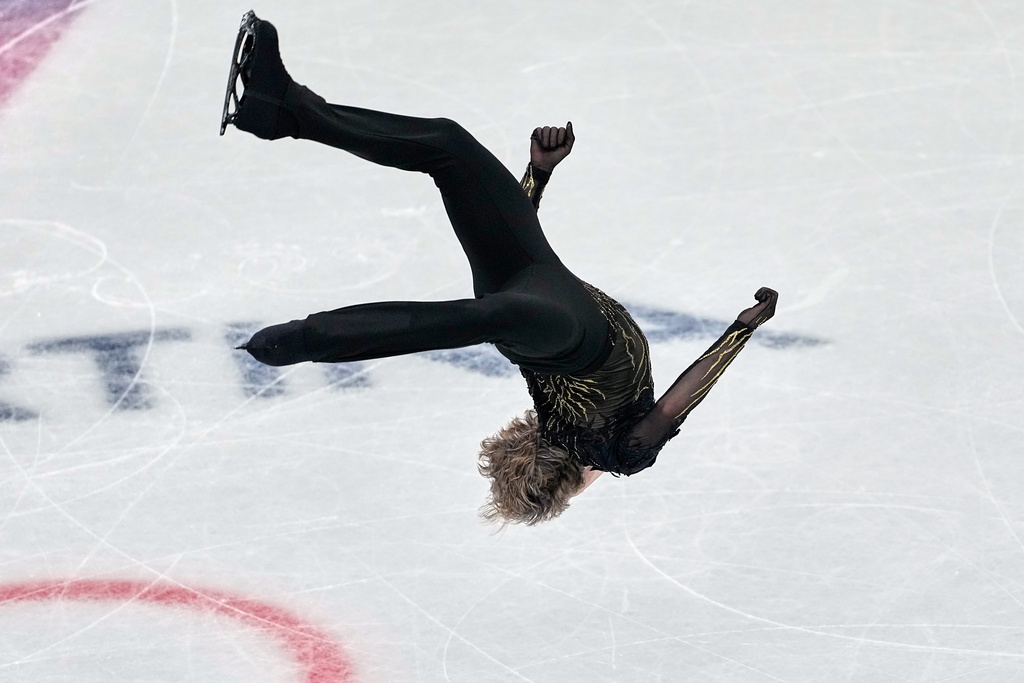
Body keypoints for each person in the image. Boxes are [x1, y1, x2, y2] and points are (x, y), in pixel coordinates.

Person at [221, 11, 778, 531]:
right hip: (534, 293)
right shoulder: (613, 451)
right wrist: (535, 177)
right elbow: (674, 401)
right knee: (448, 147)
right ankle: (282, 110)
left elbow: (682, 396)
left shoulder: (612, 451)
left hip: (560, 332)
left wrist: (741, 331)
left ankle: (306, 335)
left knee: (471, 269)